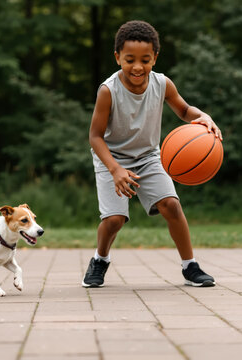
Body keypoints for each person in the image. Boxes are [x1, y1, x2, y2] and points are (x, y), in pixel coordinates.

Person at [82, 20, 222, 288]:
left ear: (155, 58)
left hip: (148, 157)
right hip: (111, 158)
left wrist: (202, 116)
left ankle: (190, 266)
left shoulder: (162, 84)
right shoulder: (108, 91)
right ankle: (100, 259)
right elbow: (95, 137)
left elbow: (183, 111)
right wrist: (115, 170)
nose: (137, 66)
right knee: (114, 220)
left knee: (171, 205)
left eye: (145, 59)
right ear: (117, 57)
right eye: (130, 59)